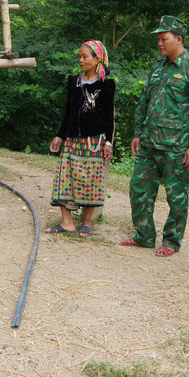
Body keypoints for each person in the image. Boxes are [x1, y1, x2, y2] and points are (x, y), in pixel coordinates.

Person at [120, 16, 189, 257]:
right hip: (149, 143)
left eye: (164, 38)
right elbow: (144, 102)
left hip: (177, 148)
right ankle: (144, 235)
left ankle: (171, 241)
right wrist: (138, 132)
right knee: (138, 190)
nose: (159, 43)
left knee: (176, 197)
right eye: (158, 39)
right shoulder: (157, 67)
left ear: (178, 39)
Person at [47, 40, 115, 237]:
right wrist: (60, 135)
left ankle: (86, 222)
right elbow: (68, 111)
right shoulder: (74, 81)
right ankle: (67, 222)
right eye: (79, 56)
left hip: (94, 142)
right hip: (72, 140)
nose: (81, 60)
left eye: (85, 56)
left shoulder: (106, 85)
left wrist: (108, 142)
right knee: (63, 179)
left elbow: (108, 117)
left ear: (97, 59)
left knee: (90, 181)